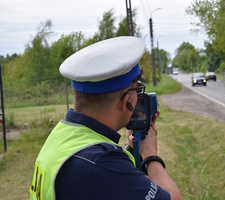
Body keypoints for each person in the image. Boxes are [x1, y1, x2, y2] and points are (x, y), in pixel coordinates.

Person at [29, 36, 182, 200]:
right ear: (126, 102)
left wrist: (131, 149)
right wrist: (151, 157)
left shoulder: (62, 135)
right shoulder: (100, 163)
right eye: (137, 91)